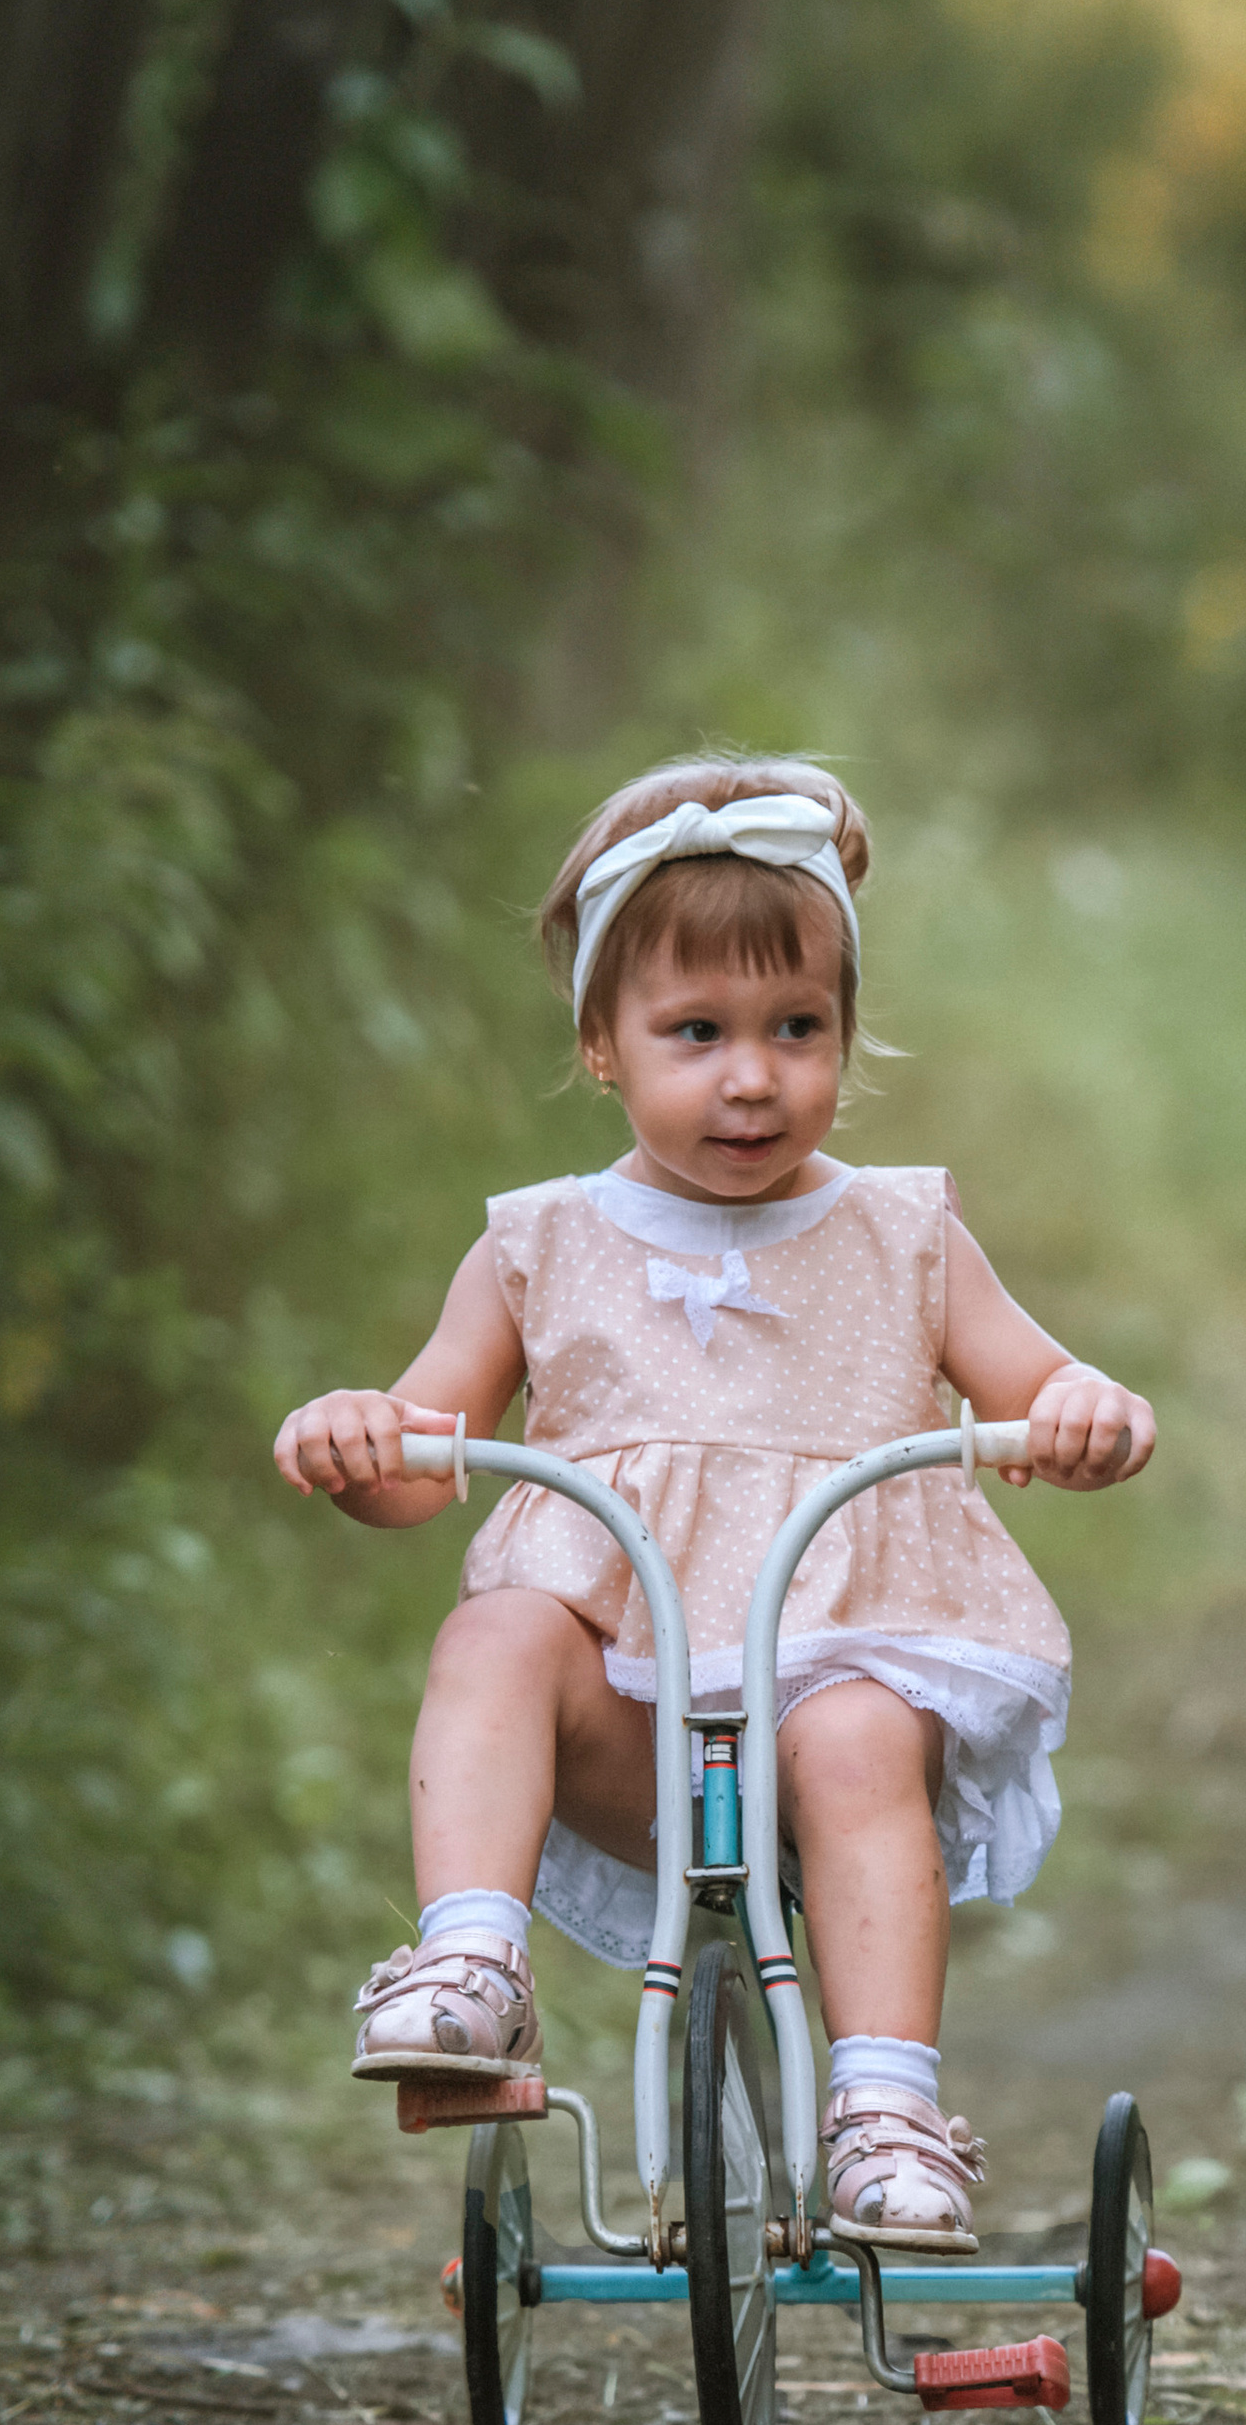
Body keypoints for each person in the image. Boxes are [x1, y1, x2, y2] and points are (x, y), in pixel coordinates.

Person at [271, 756, 1154, 2247]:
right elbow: (430, 1459)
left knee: (860, 1722)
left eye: (796, 1030)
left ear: (844, 1038)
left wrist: (1083, 1414)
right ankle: (468, 1964)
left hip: (838, 1726)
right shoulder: (536, 1246)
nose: (753, 1077)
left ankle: (884, 2107)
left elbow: (1041, 1384)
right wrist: (365, 1439)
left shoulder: (904, 1234)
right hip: (639, 1721)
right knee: (493, 1636)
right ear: (602, 1046)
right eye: (696, 1033)